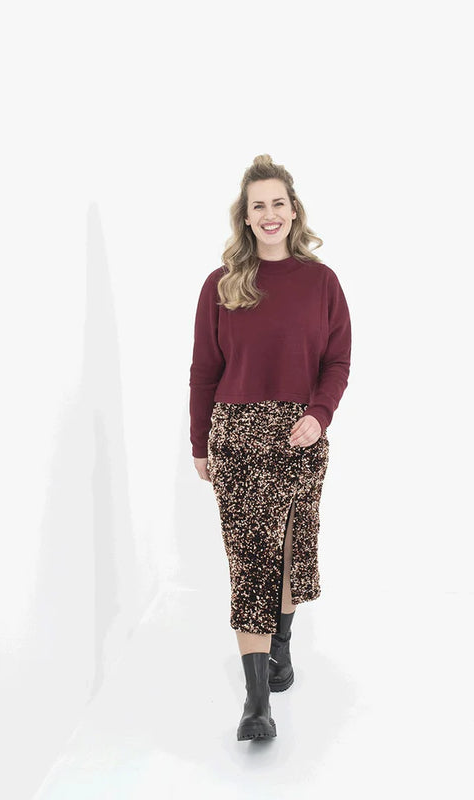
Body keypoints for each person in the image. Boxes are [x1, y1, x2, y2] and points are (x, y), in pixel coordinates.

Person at [188, 154, 352, 741]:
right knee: (250, 562)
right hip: (237, 434)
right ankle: (257, 703)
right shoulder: (221, 284)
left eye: (278, 202)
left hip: (300, 434)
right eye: (258, 205)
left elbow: (337, 361)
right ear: (246, 216)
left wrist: (319, 416)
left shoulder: (322, 282)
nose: (269, 213)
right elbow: (203, 371)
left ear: (293, 209)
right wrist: (199, 443)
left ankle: (281, 646)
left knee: (289, 550)